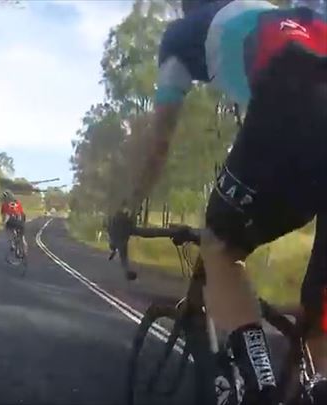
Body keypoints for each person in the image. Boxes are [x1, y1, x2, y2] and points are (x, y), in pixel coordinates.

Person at [119, 0, 327, 403]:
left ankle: (259, 386)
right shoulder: (271, 13)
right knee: (318, 314)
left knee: (220, 245)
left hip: (294, 94)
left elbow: (159, 140)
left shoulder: (182, 34)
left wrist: (128, 207)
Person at [105, 200, 136, 280]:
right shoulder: (125, 217)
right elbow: (131, 224)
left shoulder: (115, 217)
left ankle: (114, 250)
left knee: (115, 247)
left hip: (117, 238)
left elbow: (110, 228)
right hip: (122, 239)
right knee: (124, 258)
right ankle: (127, 272)